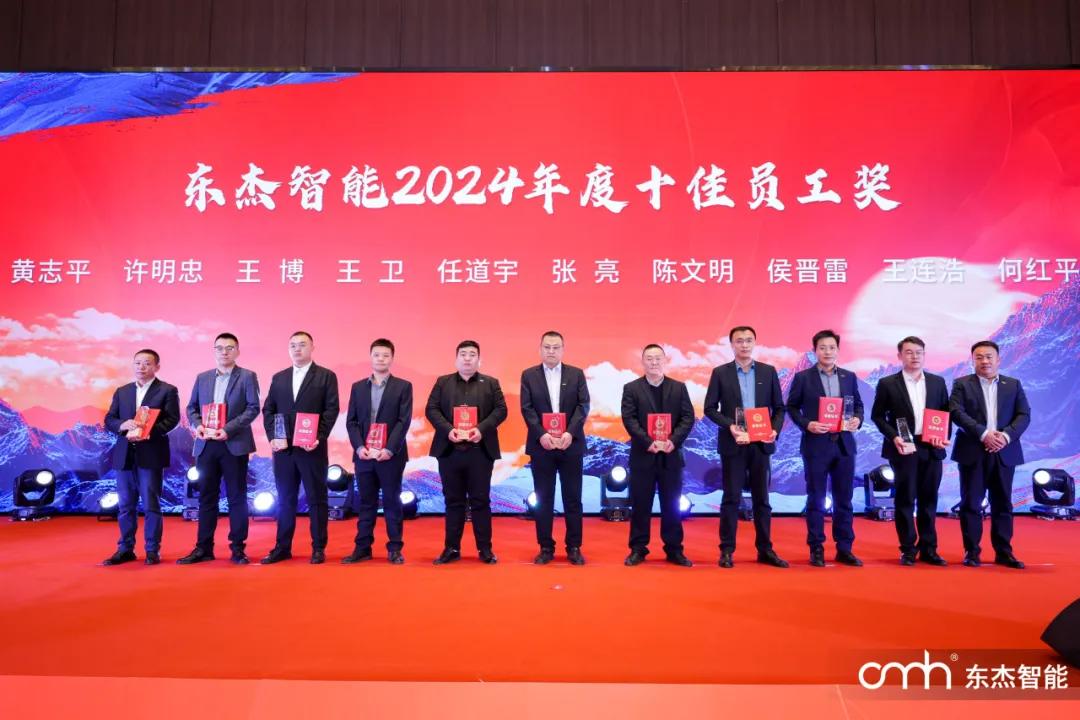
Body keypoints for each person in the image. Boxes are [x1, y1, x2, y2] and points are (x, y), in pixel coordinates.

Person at [703, 326, 788, 569]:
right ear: (732, 345)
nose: (744, 345)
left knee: (762, 500)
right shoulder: (721, 373)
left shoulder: (768, 372)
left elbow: (779, 408)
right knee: (731, 498)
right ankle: (727, 550)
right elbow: (710, 408)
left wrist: (774, 429)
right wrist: (730, 425)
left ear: (755, 343)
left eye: (748, 340)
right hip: (734, 444)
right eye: (739, 341)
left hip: (761, 444)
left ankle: (765, 550)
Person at [178, 333, 262, 565]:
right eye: (219, 348)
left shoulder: (247, 376)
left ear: (237, 351)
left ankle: (238, 548)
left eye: (229, 348)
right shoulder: (202, 377)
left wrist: (228, 429)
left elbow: (253, 408)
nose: (224, 352)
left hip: (233, 444)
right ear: (214, 351)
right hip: (206, 444)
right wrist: (198, 426)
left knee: (236, 497)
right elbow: (191, 408)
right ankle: (203, 548)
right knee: (206, 497)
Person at [260, 331, 340, 565]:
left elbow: (331, 410)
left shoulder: (326, 376)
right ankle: (282, 547)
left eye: (302, 344)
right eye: (293, 345)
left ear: (312, 347)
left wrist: (319, 436)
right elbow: (269, 410)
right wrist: (273, 437)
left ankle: (318, 548)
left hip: (311, 449)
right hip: (284, 450)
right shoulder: (279, 378)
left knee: (317, 498)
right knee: (285, 499)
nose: (297, 349)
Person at [786, 329, 864, 567]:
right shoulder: (803, 378)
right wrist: (807, 424)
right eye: (822, 348)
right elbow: (792, 407)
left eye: (832, 347)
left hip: (844, 446)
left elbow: (858, 406)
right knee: (816, 499)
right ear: (815, 351)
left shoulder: (849, 377)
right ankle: (816, 548)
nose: (827, 352)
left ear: (837, 350)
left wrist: (857, 420)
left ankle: (845, 548)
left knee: (844, 500)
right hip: (816, 446)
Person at [870, 336, 950, 566]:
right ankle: (907, 549)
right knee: (905, 499)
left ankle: (929, 549)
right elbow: (877, 416)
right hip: (903, 447)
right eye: (909, 352)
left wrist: (943, 437)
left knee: (929, 500)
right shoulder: (888, 383)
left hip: (931, 447)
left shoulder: (937, 382)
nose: (914, 356)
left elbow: (946, 414)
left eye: (918, 352)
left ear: (924, 355)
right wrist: (894, 437)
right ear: (900, 356)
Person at [426, 340, 508, 565]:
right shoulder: (443, 383)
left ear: (479, 359)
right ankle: (451, 548)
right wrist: (448, 430)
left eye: (472, 354)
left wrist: (481, 429)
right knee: (453, 501)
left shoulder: (490, 383)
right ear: (456, 358)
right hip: (449, 450)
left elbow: (501, 410)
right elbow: (431, 409)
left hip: (480, 451)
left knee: (481, 501)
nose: (467, 358)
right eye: (463, 354)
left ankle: (485, 549)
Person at [949, 340, 1030, 569]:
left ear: (998, 359)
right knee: (971, 504)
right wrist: (984, 434)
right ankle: (972, 552)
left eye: (989, 356)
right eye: (979, 357)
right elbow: (956, 412)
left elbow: (1024, 415)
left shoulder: (1013, 384)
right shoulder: (962, 384)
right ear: (973, 360)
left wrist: (1005, 436)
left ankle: (1004, 552)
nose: (984, 361)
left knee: (1003, 503)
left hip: (1005, 451)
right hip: (973, 451)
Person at [102, 349, 180, 566]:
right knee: (125, 506)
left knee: (151, 504)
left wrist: (148, 431)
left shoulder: (167, 390)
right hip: (125, 454)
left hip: (151, 453)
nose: (141, 367)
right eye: (137, 363)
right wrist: (122, 425)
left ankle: (152, 550)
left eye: (147, 363)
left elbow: (172, 419)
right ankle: (125, 549)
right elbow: (109, 419)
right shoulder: (122, 391)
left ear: (157, 367)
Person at [620, 344, 695, 567]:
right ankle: (638, 549)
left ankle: (674, 549)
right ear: (643, 362)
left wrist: (673, 441)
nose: (654, 362)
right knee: (640, 505)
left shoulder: (679, 388)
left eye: (658, 358)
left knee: (671, 505)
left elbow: (688, 418)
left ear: (665, 361)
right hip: (643, 456)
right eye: (649, 359)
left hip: (671, 456)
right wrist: (648, 442)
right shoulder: (631, 388)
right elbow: (629, 419)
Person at [520, 331, 591, 565]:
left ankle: (574, 547)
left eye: (556, 347)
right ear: (540, 349)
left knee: (573, 498)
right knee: (543, 499)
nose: (551, 351)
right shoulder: (529, 375)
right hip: (542, 446)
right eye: (547, 347)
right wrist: (541, 435)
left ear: (563, 349)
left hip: (571, 445)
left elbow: (583, 406)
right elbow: (527, 408)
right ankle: (545, 547)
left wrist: (570, 433)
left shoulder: (576, 374)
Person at [343, 339, 413, 565]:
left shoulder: (403, 386)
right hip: (364, 455)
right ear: (370, 357)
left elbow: (403, 421)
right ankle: (362, 548)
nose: (381, 359)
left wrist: (389, 449)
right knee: (366, 502)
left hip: (390, 456)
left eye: (385, 355)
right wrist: (359, 447)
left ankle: (395, 549)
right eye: (376, 355)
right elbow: (351, 421)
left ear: (392, 358)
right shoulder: (357, 387)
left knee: (392, 501)